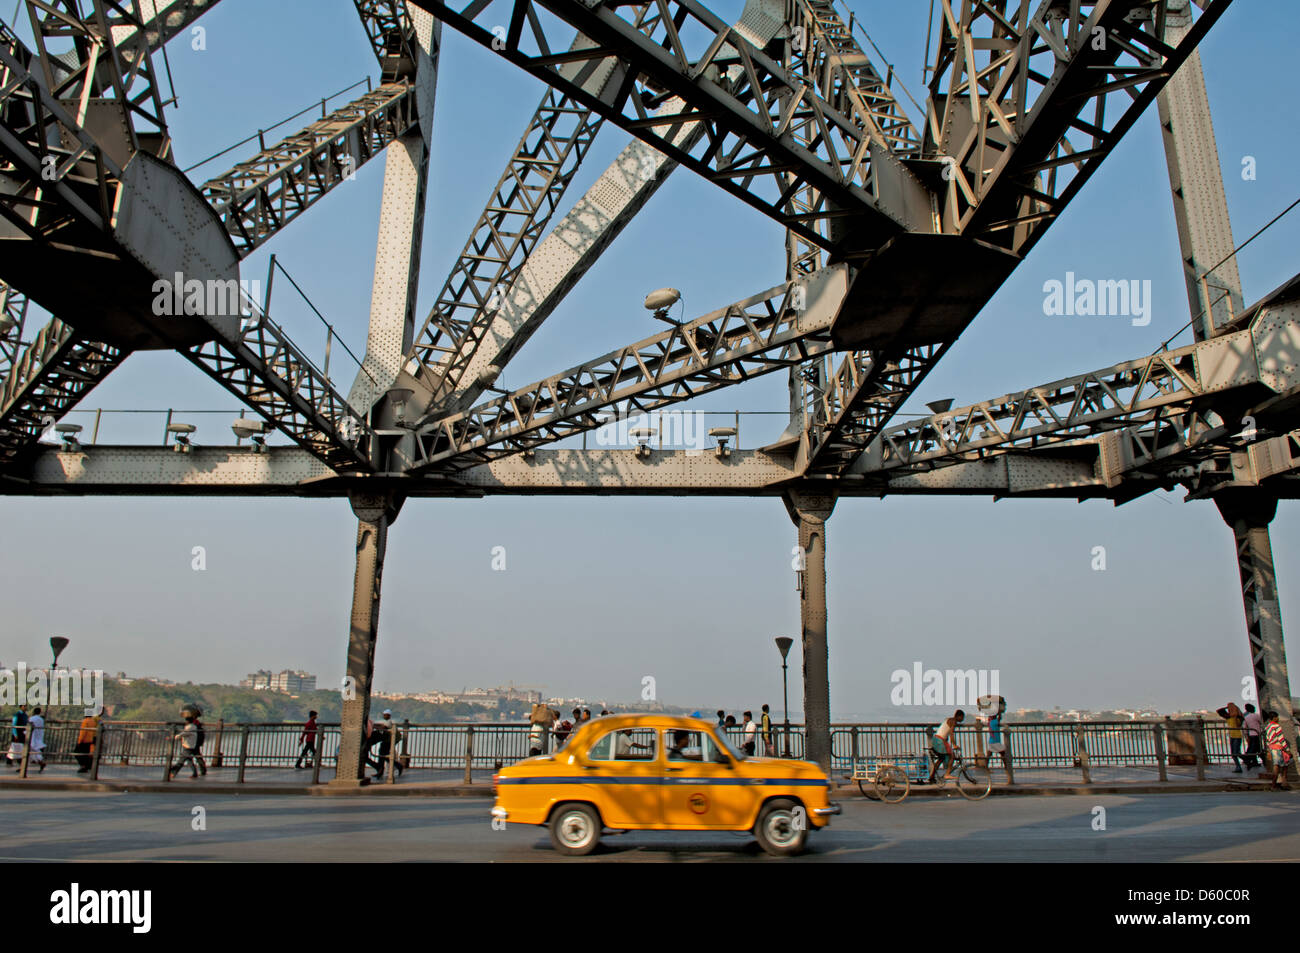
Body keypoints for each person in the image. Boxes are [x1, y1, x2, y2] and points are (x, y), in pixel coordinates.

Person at [930, 709, 965, 782]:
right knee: (952, 756)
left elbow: (945, 730)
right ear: (959, 716)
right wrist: (954, 745)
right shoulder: (954, 721)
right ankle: (947, 774)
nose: (962, 719)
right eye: (962, 717)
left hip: (935, 739)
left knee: (941, 758)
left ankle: (932, 777)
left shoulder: (948, 719)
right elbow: (951, 733)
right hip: (940, 740)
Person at [1264, 710, 1291, 789]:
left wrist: (1269, 750)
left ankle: (1278, 784)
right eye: (1277, 717)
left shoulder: (1268, 726)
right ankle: (1278, 784)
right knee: (1282, 766)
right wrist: (1287, 749)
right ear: (1274, 718)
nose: (1278, 718)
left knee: (1277, 765)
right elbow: (1281, 739)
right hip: (1278, 748)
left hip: (1272, 748)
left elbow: (1267, 740)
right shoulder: (1277, 726)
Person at [169, 713, 201, 779]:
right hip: (190, 745)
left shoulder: (190, 727)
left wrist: (174, 737)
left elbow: (184, 734)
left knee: (181, 761)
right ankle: (195, 773)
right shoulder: (193, 726)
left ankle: (172, 772)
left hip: (188, 746)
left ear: (188, 721)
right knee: (189, 760)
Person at [1215, 702, 1244, 773]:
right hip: (1233, 736)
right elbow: (1219, 711)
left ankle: (1240, 765)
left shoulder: (1236, 717)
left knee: (1235, 753)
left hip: (1236, 736)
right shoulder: (1229, 716)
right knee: (1234, 753)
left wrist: (1230, 707)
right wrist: (1229, 707)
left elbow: (1219, 711)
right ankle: (1242, 764)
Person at [1243, 703, 1263, 770]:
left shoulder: (1246, 717)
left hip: (1251, 735)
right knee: (1256, 749)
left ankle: (1254, 762)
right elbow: (1261, 723)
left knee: (1253, 748)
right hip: (1257, 734)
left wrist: (1246, 736)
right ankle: (1248, 760)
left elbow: (1245, 727)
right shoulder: (1256, 716)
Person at [26, 706, 46, 773]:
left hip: (32, 737)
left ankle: (41, 762)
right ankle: (39, 762)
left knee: (31, 751)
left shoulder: (32, 718)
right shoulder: (41, 719)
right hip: (38, 736)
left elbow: (29, 726)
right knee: (34, 751)